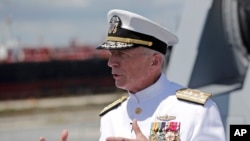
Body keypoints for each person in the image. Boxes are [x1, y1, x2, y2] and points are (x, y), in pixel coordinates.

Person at [40, 9, 226, 141]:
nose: (111, 62)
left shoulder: (196, 111)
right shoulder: (112, 115)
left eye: (122, 54)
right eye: (111, 54)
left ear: (154, 61)